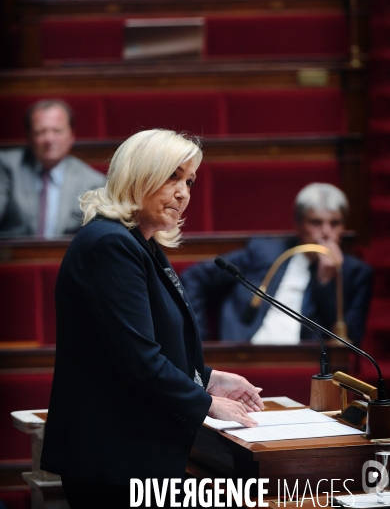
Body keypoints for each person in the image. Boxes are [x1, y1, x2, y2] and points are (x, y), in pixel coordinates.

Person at [40, 129, 264, 508]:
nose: (183, 192)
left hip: (131, 453)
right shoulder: (110, 245)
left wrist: (209, 378)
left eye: (189, 181)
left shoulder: (138, 243)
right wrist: (207, 403)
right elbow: (138, 359)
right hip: (113, 460)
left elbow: (150, 344)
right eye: (172, 176)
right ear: (137, 175)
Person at [181, 183, 373, 347]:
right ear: (298, 224)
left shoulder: (355, 273)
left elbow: (350, 341)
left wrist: (327, 283)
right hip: (245, 354)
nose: (325, 232)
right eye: (316, 222)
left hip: (307, 365)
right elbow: (194, 277)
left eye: (335, 223)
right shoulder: (265, 252)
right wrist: (200, 343)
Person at [0, 99, 106, 237]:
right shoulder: (7, 166)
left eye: (57, 131)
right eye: (40, 132)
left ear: (72, 135)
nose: (49, 139)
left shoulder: (93, 181)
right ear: (29, 136)